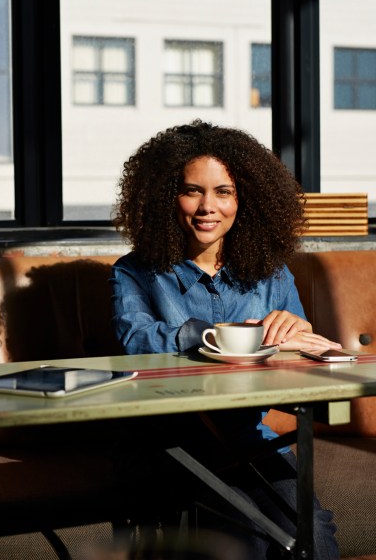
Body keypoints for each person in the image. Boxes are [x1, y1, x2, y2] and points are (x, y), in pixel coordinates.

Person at [109, 119, 340, 559]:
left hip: (249, 440)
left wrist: (304, 338)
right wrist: (227, 337)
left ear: (245, 200)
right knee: (249, 538)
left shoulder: (272, 275)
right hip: (166, 446)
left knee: (312, 535)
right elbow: (134, 340)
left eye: (224, 191)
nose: (207, 207)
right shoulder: (133, 272)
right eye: (192, 190)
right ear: (165, 197)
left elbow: (298, 361)